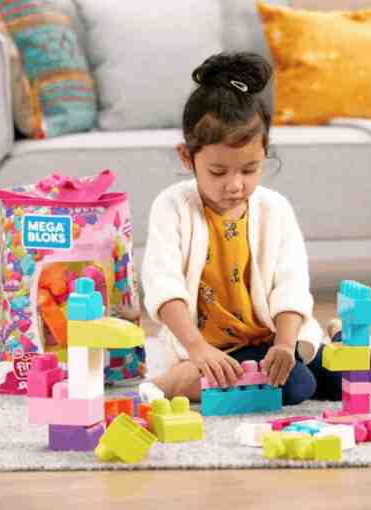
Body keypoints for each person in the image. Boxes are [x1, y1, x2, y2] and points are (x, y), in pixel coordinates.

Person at [139, 52, 342, 406]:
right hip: (211, 349)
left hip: (273, 338)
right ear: (187, 157)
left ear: (264, 153)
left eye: (249, 170)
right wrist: (196, 348)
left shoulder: (275, 209)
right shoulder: (172, 207)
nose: (235, 185)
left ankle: (319, 347)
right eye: (218, 172)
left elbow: (291, 285)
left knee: (346, 379)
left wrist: (285, 345)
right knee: (296, 386)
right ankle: (173, 380)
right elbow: (163, 285)